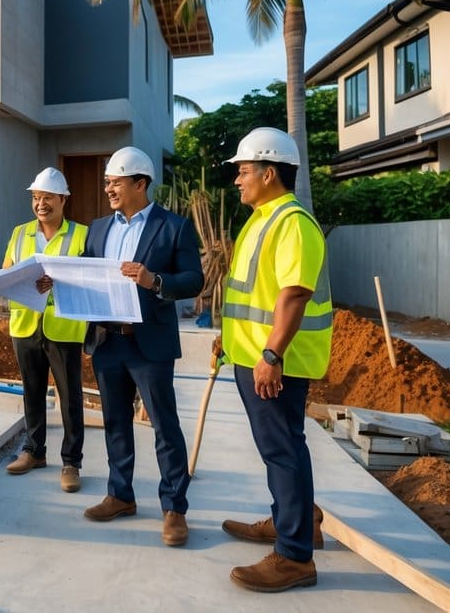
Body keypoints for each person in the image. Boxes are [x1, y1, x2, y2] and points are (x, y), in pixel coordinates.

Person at [220, 127, 332, 592]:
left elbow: (294, 294)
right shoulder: (265, 218)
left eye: (243, 171)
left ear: (269, 173)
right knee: (282, 447)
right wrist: (228, 341)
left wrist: (271, 354)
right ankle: (298, 520)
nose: (237, 180)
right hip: (253, 355)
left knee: (281, 450)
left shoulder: (292, 222)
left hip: (276, 362)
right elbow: (254, 293)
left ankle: (294, 556)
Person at [81, 146, 203, 548]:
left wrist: (155, 281)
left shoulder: (175, 227)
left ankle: (174, 508)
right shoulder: (98, 228)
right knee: (115, 423)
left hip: (149, 343)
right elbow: (86, 270)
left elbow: (193, 280)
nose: (108, 188)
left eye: (116, 181)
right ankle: (120, 495)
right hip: (107, 341)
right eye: (107, 181)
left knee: (164, 425)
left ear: (141, 183)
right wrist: (56, 283)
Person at [1, 166, 89, 492]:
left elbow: (87, 279)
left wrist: (58, 282)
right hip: (25, 325)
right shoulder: (19, 233)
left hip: (64, 328)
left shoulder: (81, 235)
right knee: (32, 393)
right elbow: (6, 273)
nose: (40, 204)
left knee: (70, 398)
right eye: (36, 198)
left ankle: (71, 462)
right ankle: (34, 451)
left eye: (47, 197)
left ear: (63, 199)